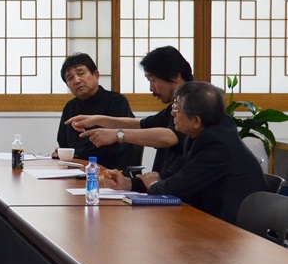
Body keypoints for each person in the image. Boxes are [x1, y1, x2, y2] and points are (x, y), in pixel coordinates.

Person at [106, 81, 267, 225]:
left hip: (234, 229)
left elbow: (175, 188)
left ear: (196, 120)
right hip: (210, 217)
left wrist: (154, 184)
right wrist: (129, 183)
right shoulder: (203, 131)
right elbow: (173, 174)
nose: (173, 113)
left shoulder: (217, 145)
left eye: (177, 108)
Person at [66, 45, 192, 179]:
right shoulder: (175, 104)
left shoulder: (193, 101)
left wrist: (117, 134)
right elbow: (141, 124)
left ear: (175, 76)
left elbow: (170, 136)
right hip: (163, 183)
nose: (151, 88)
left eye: (153, 80)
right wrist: (97, 120)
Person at [55, 53, 136, 169]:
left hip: (110, 169)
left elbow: (118, 146)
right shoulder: (70, 107)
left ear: (96, 75)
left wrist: (77, 154)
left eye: (81, 73)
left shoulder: (116, 101)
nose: (77, 80)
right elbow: (63, 142)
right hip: (75, 168)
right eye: (70, 78)